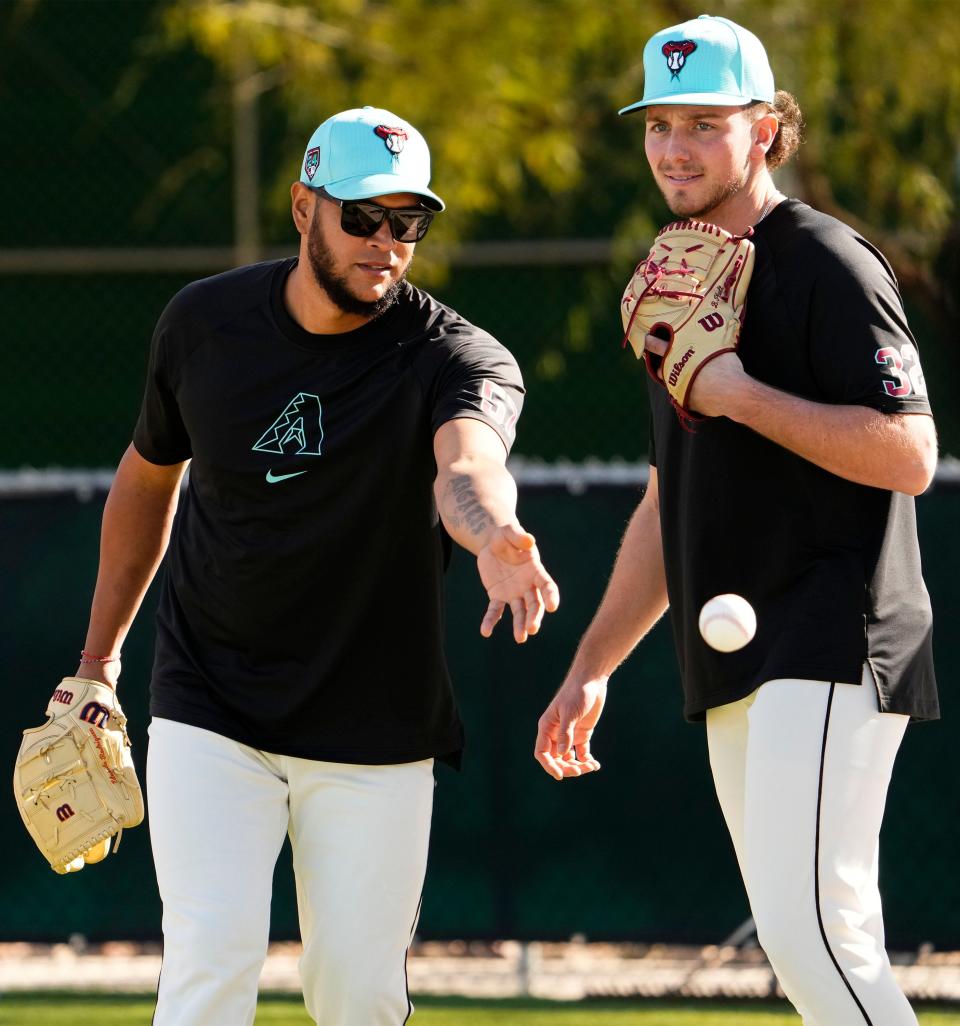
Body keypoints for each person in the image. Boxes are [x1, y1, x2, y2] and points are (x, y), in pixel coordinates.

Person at [75, 105, 558, 1026]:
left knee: (356, 996)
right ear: (304, 208)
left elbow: (466, 467)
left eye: (409, 221)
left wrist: (496, 533)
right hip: (210, 703)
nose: (388, 242)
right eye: (364, 217)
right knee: (209, 966)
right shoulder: (203, 324)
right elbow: (146, 481)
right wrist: (98, 661)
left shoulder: (455, 355)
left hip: (373, 720)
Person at [535, 16, 937, 1025]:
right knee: (807, 943)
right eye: (659, 123)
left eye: (705, 123)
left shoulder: (826, 261)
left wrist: (738, 391)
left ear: (766, 130)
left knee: (812, 932)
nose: (675, 147)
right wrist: (593, 664)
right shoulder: (680, 274)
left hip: (834, 631)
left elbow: (910, 455)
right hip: (736, 649)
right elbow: (674, 494)